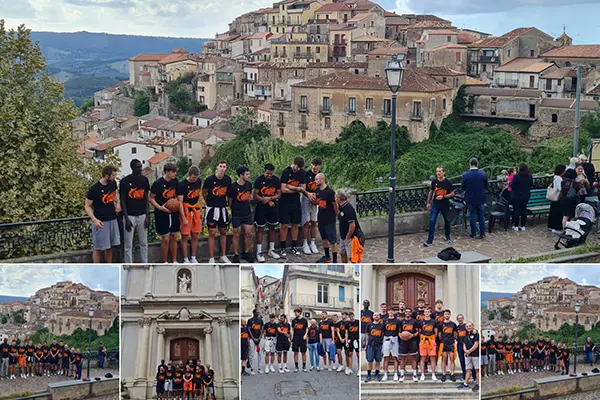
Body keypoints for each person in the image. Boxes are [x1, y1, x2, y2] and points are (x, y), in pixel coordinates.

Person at [85, 165, 121, 263]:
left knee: (109, 247)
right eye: (113, 175)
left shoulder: (113, 183)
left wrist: (117, 203)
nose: (114, 177)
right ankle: (97, 267)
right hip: (101, 221)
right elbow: (87, 206)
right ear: (106, 176)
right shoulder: (94, 189)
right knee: (98, 248)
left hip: (112, 219)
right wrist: (95, 220)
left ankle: (108, 266)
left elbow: (114, 195)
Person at [119, 159, 150, 263]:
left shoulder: (144, 180)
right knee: (128, 245)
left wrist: (147, 216)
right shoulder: (124, 181)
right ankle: (129, 265)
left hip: (142, 215)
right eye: (138, 167)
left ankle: (144, 263)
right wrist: (126, 218)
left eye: (141, 166)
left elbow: (146, 198)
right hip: (130, 216)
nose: (140, 169)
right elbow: (122, 200)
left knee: (144, 243)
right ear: (132, 168)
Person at [202, 160, 232, 264]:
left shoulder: (228, 180)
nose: (222, 168)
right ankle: (211, 257)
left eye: (224, 166)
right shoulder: (209, 180)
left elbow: (228, 194)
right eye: (221, 166)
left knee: (223, 231)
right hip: (212, 209)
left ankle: (223, 255)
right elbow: (204, 192)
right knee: (212, 232)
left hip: (222, 208)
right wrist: (209, 203)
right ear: (217, 167)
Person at [279, 156, 309, 256]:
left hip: (296, 201)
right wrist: (297, 189)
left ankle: (294, 246)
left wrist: (290, 186)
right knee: (284, 224)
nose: (298, 169)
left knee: (295, 224)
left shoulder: (302, 173)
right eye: (297, 167)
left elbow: (303, 188)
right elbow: (283, 189)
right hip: (284, 201)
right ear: (293, 163)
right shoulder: (286, 172)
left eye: (300, 168)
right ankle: (282, 247)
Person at [150, 163, 179, 263]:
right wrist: (159, 207)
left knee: (174, 237)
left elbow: (177, 195)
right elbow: (151, 198)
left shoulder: (175, 181)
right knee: (166, 238)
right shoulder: (157, 183)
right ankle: (165, 262)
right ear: (167, 172)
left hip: (173, 212)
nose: (175, 173)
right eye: (173, 172)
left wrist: (175, 202)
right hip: (161, 213)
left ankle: (174, 260)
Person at [253, 163, 282, 262]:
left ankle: (271, 249)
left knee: (272, 227)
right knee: (260, 227)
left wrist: (270, 199)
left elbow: (279, 194)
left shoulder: (276, 180)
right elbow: (255, 194)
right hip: (261, 206)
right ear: (264, 171)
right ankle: (259, 251)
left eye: (271, 174)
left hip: (273, 206)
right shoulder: (259, 180)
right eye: (267, 173)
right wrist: (264, 200)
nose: (269, 175)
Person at [227, 166, 255, 263]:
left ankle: (246, 252)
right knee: (236, 233)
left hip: (247, 212)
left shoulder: (249, 185)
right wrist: (233, 209)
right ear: (241, 175)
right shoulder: (233, 187)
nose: (248, 176)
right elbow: (229, 201)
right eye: (246, 174)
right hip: (237, 213)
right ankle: (236, 254)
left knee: (249, 233)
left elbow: (249, 196)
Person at [424, 166, 455, 246]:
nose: (438, 173)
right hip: (435, 204)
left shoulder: (447, 182)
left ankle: (447, 236)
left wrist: (443, 197)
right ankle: (430, 240)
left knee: (447, 221)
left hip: (445, 204)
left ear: (443, 172)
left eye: (440, 171)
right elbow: (431, 192)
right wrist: (428, 202)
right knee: (432, 221)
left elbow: (452, 193)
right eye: (437, 171)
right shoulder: (434, 182)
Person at [177, 166, 202, 264]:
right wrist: (183, 218)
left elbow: (198, 196)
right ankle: (185, 258)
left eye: (196, 178)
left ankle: (193, 257)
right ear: (189, 175)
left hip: (196, 209)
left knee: (195, 235)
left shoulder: (198, 182)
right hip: (186, 210)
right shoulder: (182, 185)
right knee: (185, 235)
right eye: (193, 177)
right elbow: (180, 202)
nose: (195, 179)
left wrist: (200, 212)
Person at [461, 158, 489, 239]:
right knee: (481, 216)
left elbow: (463, 187)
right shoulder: (483, 174)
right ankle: (482, 233)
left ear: (470, 164)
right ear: (477, 164)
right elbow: (486, 186)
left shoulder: (466, 175)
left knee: (472, 216)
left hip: (470, 198)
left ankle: (473, 234)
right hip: (481, 198)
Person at [315, 173, 338, 263]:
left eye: (316, 179)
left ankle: (335, 260)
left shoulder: (330, 192)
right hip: (321, 218)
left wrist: (336, 215)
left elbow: (334, 204)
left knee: (332, 240)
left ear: (322, 179)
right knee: (324, 238)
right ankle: (327, 256)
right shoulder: (317, 191)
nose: (315, 181)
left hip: (329, 218)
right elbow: (318, 203)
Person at [336, 189, 363, 263]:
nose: (335, 199)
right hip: (343, 236)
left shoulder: (348, 209)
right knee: (342, 253)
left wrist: (347, 237)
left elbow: (352, 225)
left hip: (350, 237)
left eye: (335, 197)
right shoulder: (341, 207)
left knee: (352, 257)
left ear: (338, 197)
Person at [302, 158, 322, 254]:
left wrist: (317, 199)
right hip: (306, 199)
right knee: (306, 222)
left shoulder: (320, 176)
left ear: (320, 166)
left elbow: (323, 189)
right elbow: (303, 188)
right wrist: (309, 195)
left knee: (314, 222)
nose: (314, 167)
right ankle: (305, 243)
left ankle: (312, 242)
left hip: (316, 201)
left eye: (316, 165)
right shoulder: (306, 174)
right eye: (313, 164)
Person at [509, 163, 533, 231]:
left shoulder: (516, 176)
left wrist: (510, 183)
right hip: (526, 195)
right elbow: (531, 184)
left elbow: (512, 186)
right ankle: (523, 225)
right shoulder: (529, 176)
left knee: (516, 210)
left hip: (516, 196)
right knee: (523, 210)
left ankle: (516, 225)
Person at [399, 307, 419, 382]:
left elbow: (418, 332)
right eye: (406, 312)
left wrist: (412, 335)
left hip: (412, 341)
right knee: (403, 358)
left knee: (413, 358)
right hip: (403, 342)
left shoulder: (414, 321)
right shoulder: (401, 322)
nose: (407, 313)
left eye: (409, 312)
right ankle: (402, 375)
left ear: (411, 313)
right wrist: (400, 335)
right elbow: (399, 331)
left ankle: (414, 375)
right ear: (404, 313)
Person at [457, 322, 479, 392]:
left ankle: (478, 385)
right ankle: (465, 383)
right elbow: (464, 344)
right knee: (468, 370)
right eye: (467, 326)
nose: (468, 327)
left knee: (477, 370)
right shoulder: (465, 335)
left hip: (475, 355)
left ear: (473, 327)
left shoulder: (476, 334)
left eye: (470, 326)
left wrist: (469, 351)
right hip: (468, 355)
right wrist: (465, 351)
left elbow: (476, 345)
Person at [418, 308, 438, 381]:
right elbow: (419, 332)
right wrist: (423, 339)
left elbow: (436, 332)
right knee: (423, 358)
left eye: (428, 312)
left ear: (430, 313)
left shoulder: (434, 322)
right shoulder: (421, 322)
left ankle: (433, 374)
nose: (427, 313)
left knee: (433, 358)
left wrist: (432, 339)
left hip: (431, 340)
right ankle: (422, 374)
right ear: (424, 313)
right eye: (425, 312)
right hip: (423, 340)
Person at [364, 312, 384, 382]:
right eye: (375, 315)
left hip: (379, 344)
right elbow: (366, 333)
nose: (376, 316)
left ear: (379, 317)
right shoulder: (369, 324)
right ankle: (368, 375)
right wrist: (367, 341)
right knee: (369, 360)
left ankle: (377, 374)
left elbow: (383, 334)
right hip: (370, 344)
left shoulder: (382, 326)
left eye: (377, 315)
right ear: (372, 316)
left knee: (378, 360)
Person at [439, 310, 457, 382]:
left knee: (452, 359)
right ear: (443, 315)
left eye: (448, 314)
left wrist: (453, 340)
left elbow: (455, 333)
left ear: (450, 315)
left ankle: (452, 374)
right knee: (444, 359)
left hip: (451, 343)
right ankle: (443, 374)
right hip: (443, 343)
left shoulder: (453, 324)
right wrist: (443, 340)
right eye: (445, 314)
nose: (447, 315)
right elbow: (439, 334)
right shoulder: (440, 324)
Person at [381, 308, 399, 381]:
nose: (391, 312)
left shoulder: (397, 321)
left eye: (392, 311)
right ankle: (385, 373)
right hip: (386, 339)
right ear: (388, 312)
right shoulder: (385, 320)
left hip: (394, 339)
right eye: (390, 311)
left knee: (395, 357)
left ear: (394, 312)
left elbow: (399, 330)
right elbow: (382, 331)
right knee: (386, 357)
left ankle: (395, 373)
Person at [548, 164, 567, 234]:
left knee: (553, 212)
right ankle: (555, 227)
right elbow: (560, 188)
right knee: (557, 213)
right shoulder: (558, 178)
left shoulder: (555, 177)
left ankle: (552, 226)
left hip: (555, 198)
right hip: (558, 197)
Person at [291, 308, 309, 372]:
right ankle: (296, 366)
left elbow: (307, 329)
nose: (295, 313)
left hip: (302, 338)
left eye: (296, 312)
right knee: (295, 352)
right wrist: (292, 337)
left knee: (303, 352)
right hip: (295, 338)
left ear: (299, 312)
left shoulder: (304, 320)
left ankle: (304, 366)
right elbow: (292, 329)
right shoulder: (293, 320)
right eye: (295, 312)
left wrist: (305, 335)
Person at [247, 309, 264, 374]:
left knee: (260, 354)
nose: (258, 313)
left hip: (259, 339)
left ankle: (259, 368)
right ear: (254, 313)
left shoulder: (260, 321)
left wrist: (259, 338)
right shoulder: (250, 320)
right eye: (257, 312)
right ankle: (252, 369)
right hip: (252, 339)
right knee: (252, 354)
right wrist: (253, 338)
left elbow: (262, 329)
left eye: (258, 312)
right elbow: (249, 330)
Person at [347, 312, 360, 376]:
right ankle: (350, 368)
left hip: (356, 340)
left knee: (358, 354)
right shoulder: (347, 324)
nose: (351, 317)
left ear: (354, 316)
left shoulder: (358, 322)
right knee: (350, 354)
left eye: (352, 316)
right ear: (349, 317)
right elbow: (346, 333)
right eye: (350, 316)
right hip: (350, 340)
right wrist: (346, 341)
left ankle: (359, 369)